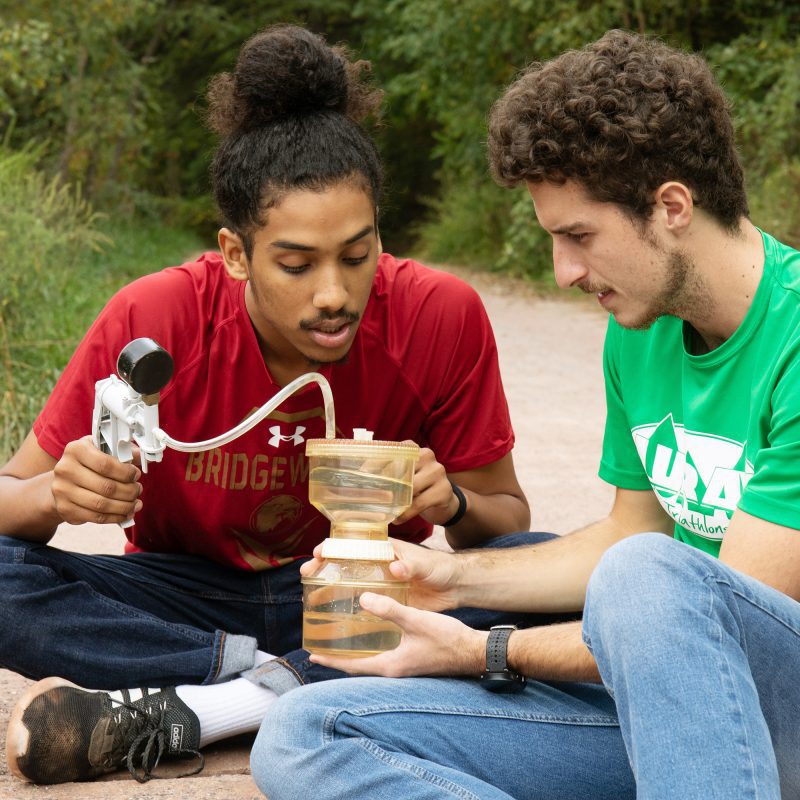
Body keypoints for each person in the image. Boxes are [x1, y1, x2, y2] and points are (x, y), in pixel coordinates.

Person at [250, 29, 800, 800]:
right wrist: (448, 579)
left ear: (671, 205)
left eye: (578, 237)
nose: (564, 272)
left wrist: (483, 650)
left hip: (778, 708)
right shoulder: (639, 335)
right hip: (677, 720)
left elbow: (696, 628)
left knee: (645, 580)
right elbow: (629, 532)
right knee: (309, 731)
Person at [0, 25, 536, 786]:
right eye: (295, 263)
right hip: (188, 598)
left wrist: (450, 503)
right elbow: (8, 498)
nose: (334, 294)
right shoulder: (155, 318)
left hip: (370, 589)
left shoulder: (437, 317)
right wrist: (56, 494)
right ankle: (263, 680)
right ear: (235, 253)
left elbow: (505, 520)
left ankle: (207, 709)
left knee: (541, 573)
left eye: (358, 255)